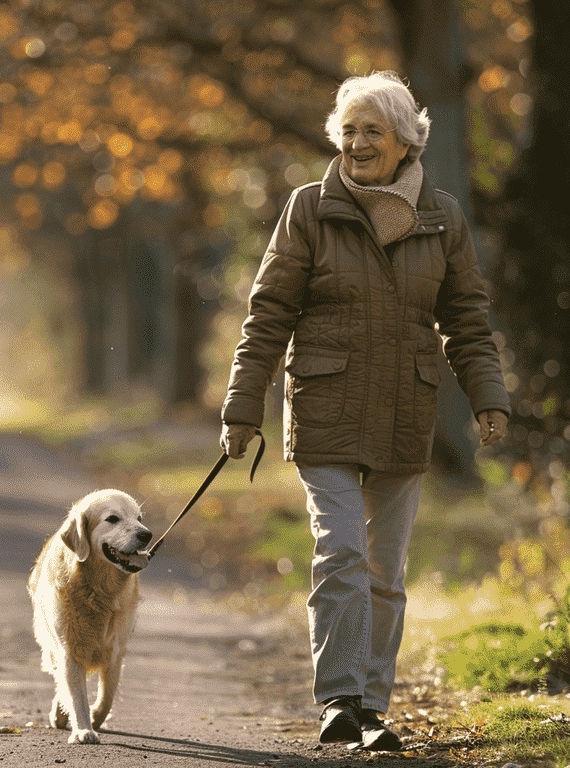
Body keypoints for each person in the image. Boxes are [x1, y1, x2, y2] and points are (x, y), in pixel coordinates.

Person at [220, 71, 510, 751]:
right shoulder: (309, 209)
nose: (355, 142)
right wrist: (242, 405)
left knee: (386, 569)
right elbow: (267, 314)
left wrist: (489, 397)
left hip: (405, 412)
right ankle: (339, 699)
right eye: (347, 130)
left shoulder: (442, 217)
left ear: (405, 140)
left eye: (370, 130)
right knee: (342, 551)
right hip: (324, 408)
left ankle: (374, 708)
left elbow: (466, 322)